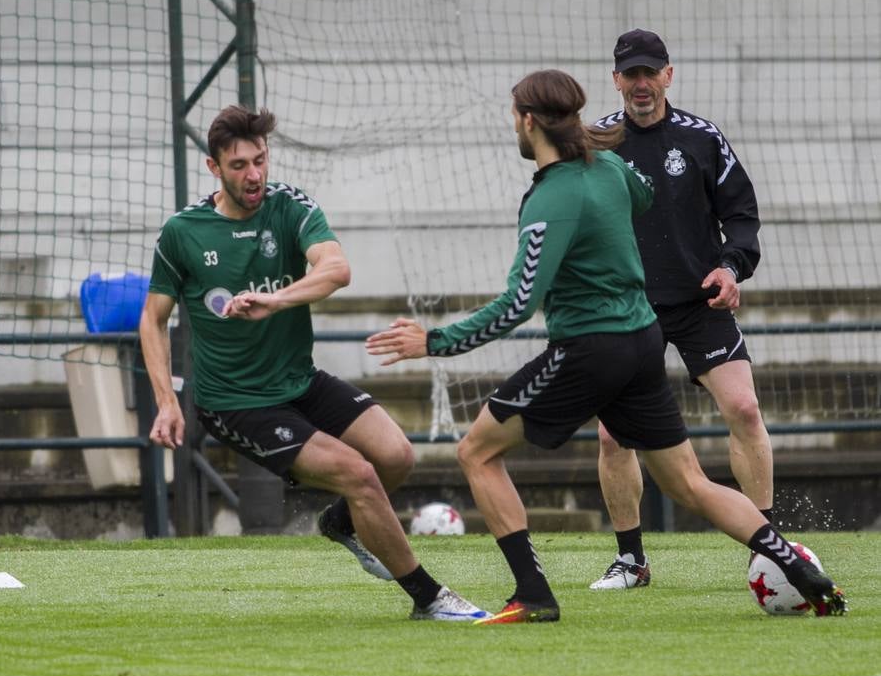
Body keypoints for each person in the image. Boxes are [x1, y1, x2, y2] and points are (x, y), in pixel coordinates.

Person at [366, 69, 846, 624]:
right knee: (689, 482)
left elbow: (519, 303)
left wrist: (434, 341)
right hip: (642, 342)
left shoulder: (551, 199)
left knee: (477, 451)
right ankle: (801, 570)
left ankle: (533, 594)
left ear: (526, 120)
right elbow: (642, 199)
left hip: (589, 349)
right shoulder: (612, 168)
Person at [140, 104, 489, 621]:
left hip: (298, 382)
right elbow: (152, 320)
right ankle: (429, 597)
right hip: (236, 402)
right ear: (214, 168)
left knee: (396, 457)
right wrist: (167, 402)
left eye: (260, 160)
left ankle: (341, 524)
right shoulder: (183, 232)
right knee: (361, 474)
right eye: (239, 165)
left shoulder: (290, 206)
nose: (254, 174)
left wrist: (276, 300)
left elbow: (337, 268)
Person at [588, 29, 773, 591]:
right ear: (616, 79)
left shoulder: (702, 137)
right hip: (628, 307)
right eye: (631, 74)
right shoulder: (593, 143)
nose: (641, 84)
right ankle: (631, 561)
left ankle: (768, 549)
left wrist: (731, 267)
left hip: (699, 299)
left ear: (669, 75)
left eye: (651, 73)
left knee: (743, 408)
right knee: (612, 437)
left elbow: (741, 214)